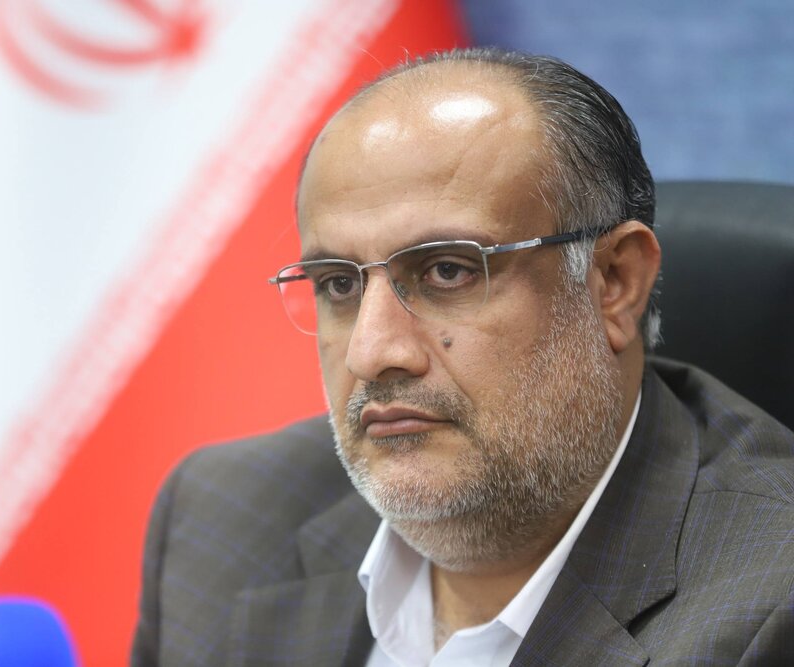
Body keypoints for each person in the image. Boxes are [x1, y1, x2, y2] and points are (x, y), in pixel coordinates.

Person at [131, 48, 794, 666]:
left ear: (612, 282)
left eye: (447, 271)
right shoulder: (218, 518)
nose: (371, 352)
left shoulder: (768, 612)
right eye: (338, 284)